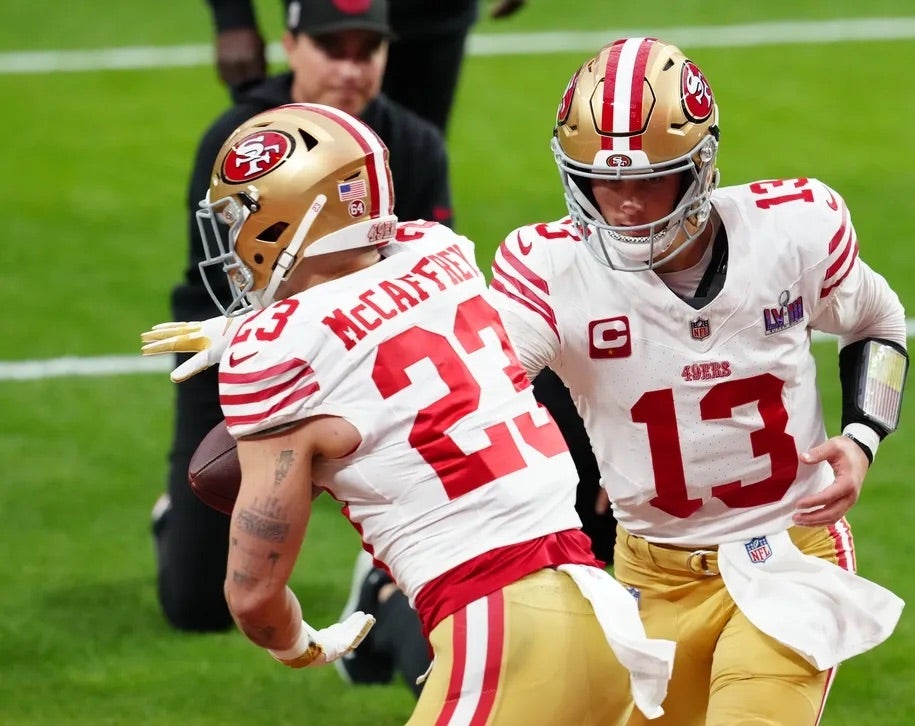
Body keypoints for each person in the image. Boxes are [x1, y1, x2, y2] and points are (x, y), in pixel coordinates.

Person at [146, 102, 674, 723]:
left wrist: (301, 645)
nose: (233, 241)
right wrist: (242, 329)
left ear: (293, 216)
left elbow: (253, 593)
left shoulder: (276, 354)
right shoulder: (439, 254)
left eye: (241, 216)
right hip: (597, 608)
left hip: (502, 628)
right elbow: (370, 314)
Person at [486, 37, 909, 725]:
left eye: (648, 178)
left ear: (700, 166)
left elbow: (879, 321)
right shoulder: (549, 270)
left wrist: (862, 437)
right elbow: (484, 391)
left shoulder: (792, 233)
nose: (622, 204)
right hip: (649, 576)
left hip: (787, 556)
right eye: (602, 179)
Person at [154, 0, 454, 633]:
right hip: (238, 352)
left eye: (365, 51)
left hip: (368, 361)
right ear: (290, 45)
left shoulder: (415, 142)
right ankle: (175, 515)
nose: (349, 69)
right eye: (331, 48)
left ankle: (384, 570)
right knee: (196, 606)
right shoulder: (239, 142)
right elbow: (219, 284)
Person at [206, 0, 529, 133]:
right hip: (328, 20)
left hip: (433, 19)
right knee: (309, 161)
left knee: (414, 159)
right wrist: (231, 15)